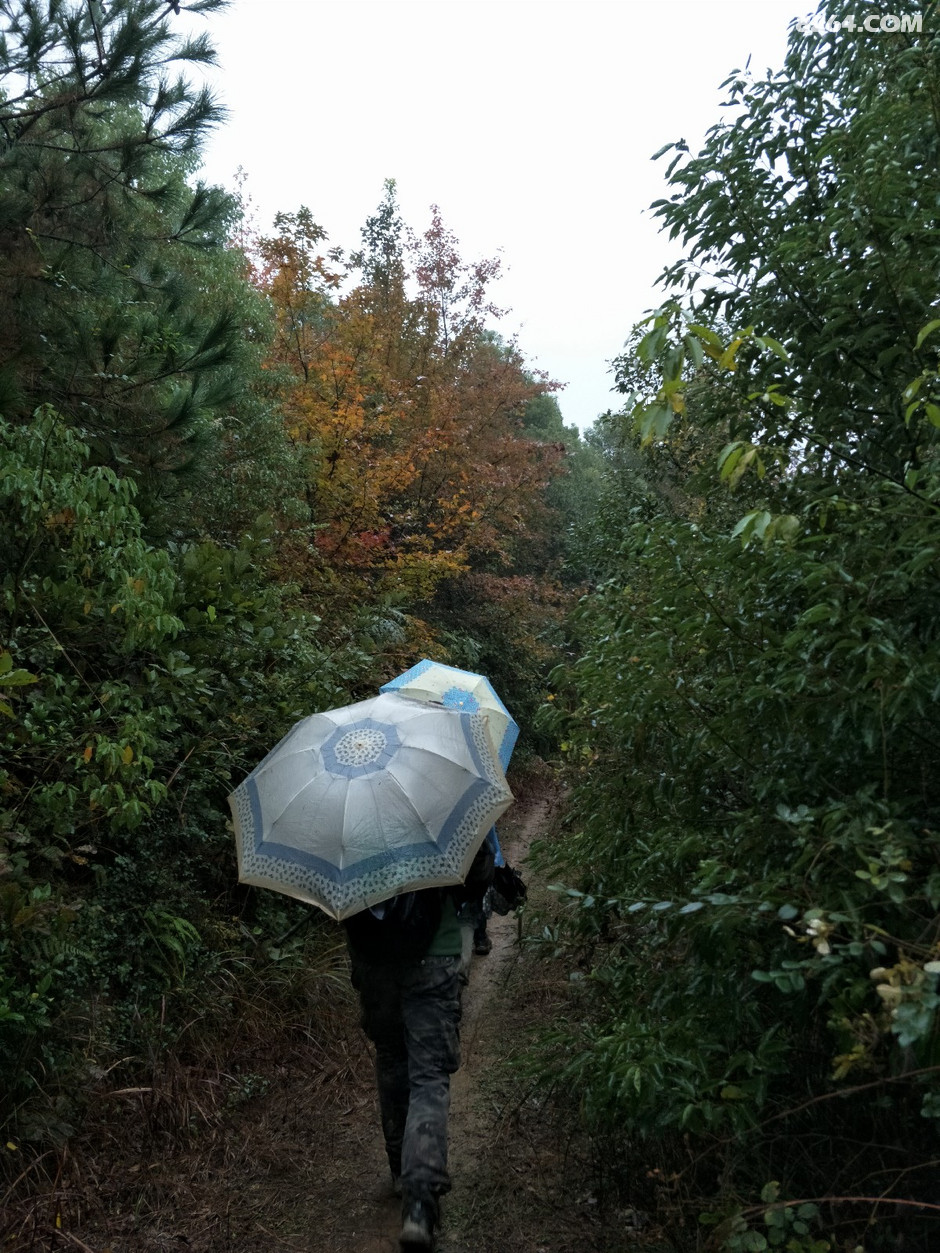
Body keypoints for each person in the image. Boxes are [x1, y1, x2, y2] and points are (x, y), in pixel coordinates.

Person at [344, 839, 495, 1250]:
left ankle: (399, 1170)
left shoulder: (346, 815)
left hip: (373, 961)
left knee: (392, 1059)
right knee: (428, 1076)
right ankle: (420, 1203)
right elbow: (480, 870)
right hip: (435, 952)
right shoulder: (433, 795)